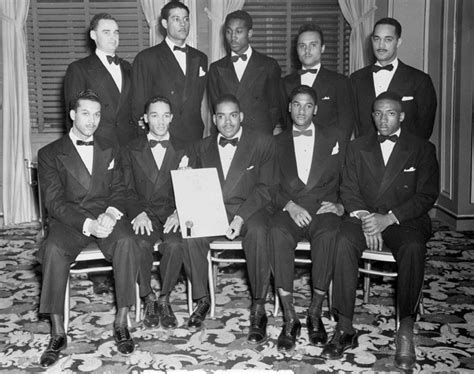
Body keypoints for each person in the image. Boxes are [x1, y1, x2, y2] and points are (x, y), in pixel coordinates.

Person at [321, 91, 439, 371]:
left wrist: (388, 219)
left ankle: (406, 328)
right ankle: (345, 326)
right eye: (377, 113)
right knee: (343, 241)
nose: (383, 119)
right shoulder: (357, 146)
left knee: (413, 248)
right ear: (371, 116)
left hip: (404, 219)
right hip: (364, 216)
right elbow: (348, 189)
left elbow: (426, 195)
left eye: (390, 113)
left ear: (402, 116)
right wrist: (365, 218)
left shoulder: (422, 148)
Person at [37, 90, 141, 367]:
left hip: (104, 216)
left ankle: (121, 321)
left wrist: (110, 213)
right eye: (86, 113)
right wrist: (88, 225)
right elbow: (54, 203)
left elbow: (120, 189)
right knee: (53, 249)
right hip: (70, 221)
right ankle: (58, 331)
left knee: (127, 241)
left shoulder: (111, 147)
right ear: (72, 115)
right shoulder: (49, 153)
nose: (92, 120)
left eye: (97, 114)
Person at [183, 94, 278, 342]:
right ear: (214, 119)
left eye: (233, 115)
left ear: (241, 117)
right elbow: (191, 187)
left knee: (258, 233)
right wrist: (186, 177)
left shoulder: (262, 143)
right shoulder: (200, 147)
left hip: (250, 209)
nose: (227, 122)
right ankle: (202, 299)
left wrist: (241, 218)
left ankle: (258, 305)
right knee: (191, 230)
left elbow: (266, 188)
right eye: (222, 116)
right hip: (214, 209)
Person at [269, 85, 347, 352]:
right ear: (289, 107)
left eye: (308, 105)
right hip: (290, 209)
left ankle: (314, 312)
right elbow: (269, 185)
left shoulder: (335, 137)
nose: (302, 110)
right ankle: (290, 317)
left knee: (329, 234)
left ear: (316, 109)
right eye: (296, 105)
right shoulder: (276, 142)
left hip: (322, 208)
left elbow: (349, 178)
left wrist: (339, 205)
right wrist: (289, 206)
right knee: (276, 233)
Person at [121, 96, 187, 330]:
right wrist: (137, 212)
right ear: (145, 119)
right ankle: (147, 296)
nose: (160, 121)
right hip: (144, 212)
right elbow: (125, 188)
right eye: (154, 115)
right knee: (138, 243)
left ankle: (165, 298)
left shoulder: (185, 148)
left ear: (171, 117)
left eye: (165, 115)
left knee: (176, 245)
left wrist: (181, 211)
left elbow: (193, 186)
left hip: (171, 212)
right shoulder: (130, 148)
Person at [131, 1, 207, 148]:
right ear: (165, 23)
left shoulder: (200, 58)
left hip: (194, 136)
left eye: (186, 19)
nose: (183, 24)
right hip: (162, 137)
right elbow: (139, 105)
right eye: (176, 19)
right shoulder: (147, 58)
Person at [351, 17, 437, 139]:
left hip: (407, 155)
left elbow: (425, 129)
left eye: (388, 39)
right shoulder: (356, 79)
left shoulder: (420, 80)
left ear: (398, 42)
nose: (381, 45)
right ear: (371, 41)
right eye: (377, 39)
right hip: (365, 155)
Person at [64, 13, 136, 146]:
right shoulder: (79, 68)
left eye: (116, 32)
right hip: (98, 145)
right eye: (106, 32)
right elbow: (72, 116)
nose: (113, 37)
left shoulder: (127, 67)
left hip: (128, 144)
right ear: (93, 35)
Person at [207, 10, 283, 135]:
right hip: (228, 135)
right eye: (229, 31)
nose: (233, 37)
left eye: (238, 31)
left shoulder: (269, 65)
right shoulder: (216, 68)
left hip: (259, 137)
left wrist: (263, 133)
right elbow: (216, 109)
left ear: (250, 33)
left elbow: (275, 107)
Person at [283, 24, 354, 141]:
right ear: (296, 50)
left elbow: (346, 125)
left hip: (328, 153)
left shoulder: (340, 82)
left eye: (313, 45)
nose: (307, 50)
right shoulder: (285, 83)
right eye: (302, 46)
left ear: (323, 48)